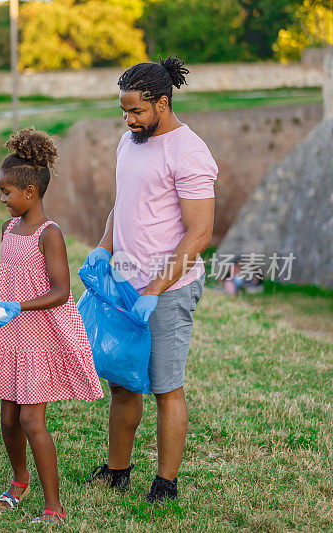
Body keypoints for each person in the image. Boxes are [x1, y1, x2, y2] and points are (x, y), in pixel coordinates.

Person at [83, 55, 217, 503]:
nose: (129, 119)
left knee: (165, 385)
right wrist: (104, 248)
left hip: (167, 290)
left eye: (136, 111)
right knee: (123, 382)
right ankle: (118, 469)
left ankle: (166, 482)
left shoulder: (190, 151)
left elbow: (199, 233)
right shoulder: (129, 142)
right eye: (124, 111)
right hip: (123, 284)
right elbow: (124, 205)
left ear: (162, 103)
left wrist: (155, 290)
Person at [0, 128, 103, 525]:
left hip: (39, 336)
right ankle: (19, 480)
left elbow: (60, 291)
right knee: (7, 418)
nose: (3, 200)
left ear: (31, 192)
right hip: (9, 334)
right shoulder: (9, 230)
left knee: (30, 421)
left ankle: (53, 507)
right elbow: (7, 280)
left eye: (7, 193)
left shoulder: (49, 234)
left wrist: (16, 305)